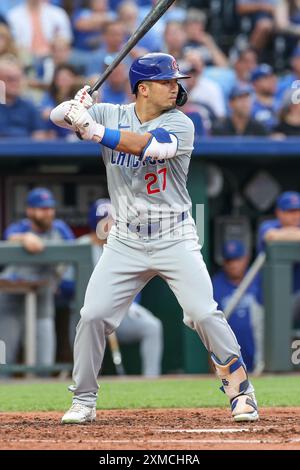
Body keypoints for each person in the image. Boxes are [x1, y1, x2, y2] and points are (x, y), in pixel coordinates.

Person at [50, 52, 259, 424]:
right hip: (125, 238)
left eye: (176, 80)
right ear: (142, 89)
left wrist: (90, 128)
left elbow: (149, 147)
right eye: (167, 81)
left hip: (174, 234)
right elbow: (53, 116)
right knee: (93, 315)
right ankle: (83, 399)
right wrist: (74, 105)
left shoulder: (182, 123)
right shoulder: (112, 112)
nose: (176, 87)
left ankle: (241, 393)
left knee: (202, 313)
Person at [69, 198, 163, 377]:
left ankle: (152, 381)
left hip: (120, 314)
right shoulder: (80, 246)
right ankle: (86, 384)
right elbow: (65, 284)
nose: (111, 224)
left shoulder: (124, 246)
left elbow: (136, 281)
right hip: (85, 313)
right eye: (107, 220)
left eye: (114, 220)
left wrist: (131, 303)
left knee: (152, 326)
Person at [0, 188, 75, 367]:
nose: (47, 212)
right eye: (41, 208)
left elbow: (74, 254)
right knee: (3, 361)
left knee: (44, 362)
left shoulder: (60, 229)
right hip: (10, 301)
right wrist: (24, 238)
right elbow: (8, 237)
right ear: (30, 211)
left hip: (42, 299)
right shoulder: (19, 228)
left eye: (50, 208)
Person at [213, 240, 264, 373]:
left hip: (258, 349)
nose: (233, 265)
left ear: (246, 259)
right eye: (229, 261)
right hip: (230, 355)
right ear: (223, 262)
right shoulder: (215, 284)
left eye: (237, 259)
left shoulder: (258, 279)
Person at [0, 56, 47, 139]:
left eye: (18, 79)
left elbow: (40, 136)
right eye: (10, 79)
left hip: (26, 151)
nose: (15, 84)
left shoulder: (29, 107)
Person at [250, 63, 278, 131]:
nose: (272, 81)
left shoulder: (281, 103)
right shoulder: (249, 106)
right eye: (266, 78)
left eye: (272, 77)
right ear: (254, 84)